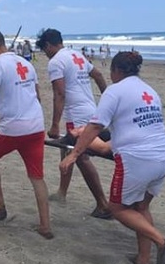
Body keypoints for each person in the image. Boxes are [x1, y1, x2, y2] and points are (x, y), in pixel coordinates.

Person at [60, 51, 165, 264]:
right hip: (164, 155)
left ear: (116, 71)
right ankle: (144, 259)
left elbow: (96, 125)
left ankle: (161, 241)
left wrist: (74, 154)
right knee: (140, 206)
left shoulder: (115, 91)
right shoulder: (149, 90)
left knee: (117, 208)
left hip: (137, 158)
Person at [0, 29, 53, 239]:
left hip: (13, 128)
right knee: (37, 176)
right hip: (35, 126)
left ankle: (0, 207)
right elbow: (37, 95)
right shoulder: (26, 63)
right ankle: (45, 225)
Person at [35, 28, 111, 219]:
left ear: (49, 45)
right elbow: (99, 76)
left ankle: (103, 204)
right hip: (90, 111)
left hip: (76, 116)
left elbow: (60, 94)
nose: (46, 55)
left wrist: (54, 124)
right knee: (67, 149)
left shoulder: (56, 62)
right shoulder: (77, 55)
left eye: (45, 51)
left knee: (80, 157)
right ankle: (62, 192)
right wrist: (109, 101)